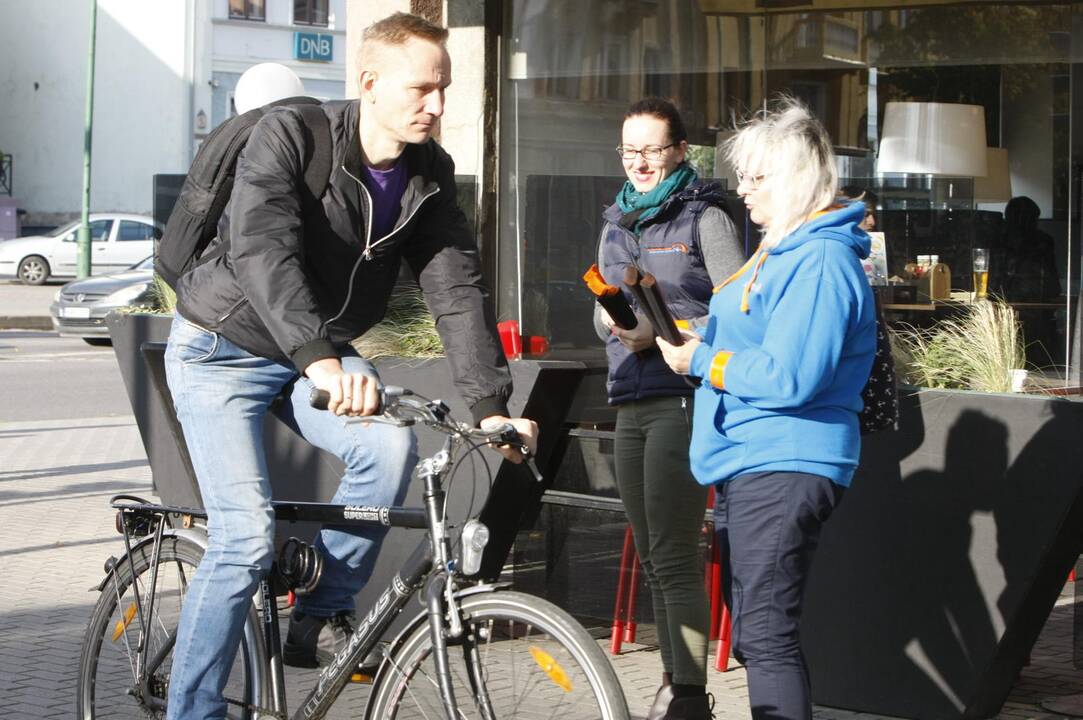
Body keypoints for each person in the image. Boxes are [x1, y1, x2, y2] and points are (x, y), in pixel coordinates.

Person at [162, 13, 537, 719]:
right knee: (243, 537)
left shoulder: (428, 174)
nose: (436, 104)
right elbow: (261, 249)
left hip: (312, 352)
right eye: (422, 88)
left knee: (389, 445)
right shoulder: (292, 137)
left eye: (444, 89)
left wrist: (490, 404)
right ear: (368, 82)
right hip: (223, 348)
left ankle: (317, 611)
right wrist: (322, 361)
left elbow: (454, 289)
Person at [657, 99, 876, 720]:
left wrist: (701, 362)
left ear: (799, 179)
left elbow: (792, 376)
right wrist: (686, 339)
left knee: (766, 637)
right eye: (741, 177)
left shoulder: (820, 259)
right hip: (756, 459)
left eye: (758, 177)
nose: (743, 191)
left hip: (786, 458)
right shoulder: (786, 252)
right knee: (762, 635)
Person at [594, 97, 744, 720]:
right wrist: (612, 320)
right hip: (630, 397)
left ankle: (685, 696)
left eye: (654, 150)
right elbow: (601, 304)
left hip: (685, 398)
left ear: (680, 151)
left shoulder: (705, 217)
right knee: (654, 553)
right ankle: (674, 679)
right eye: (631, 151)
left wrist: (674, 329)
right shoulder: (615, 223)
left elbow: (741, 314)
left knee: (676, 552)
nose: (642, 163)